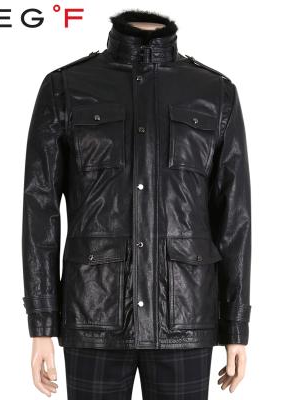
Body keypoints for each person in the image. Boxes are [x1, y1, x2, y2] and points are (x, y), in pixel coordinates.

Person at [21, 9, 252, 399]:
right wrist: (41, 324)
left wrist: (235, 326)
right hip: (94, 311)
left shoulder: (214, 93)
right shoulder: (67, 87)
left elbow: (234, 217)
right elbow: (39, 209)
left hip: (185, 315)